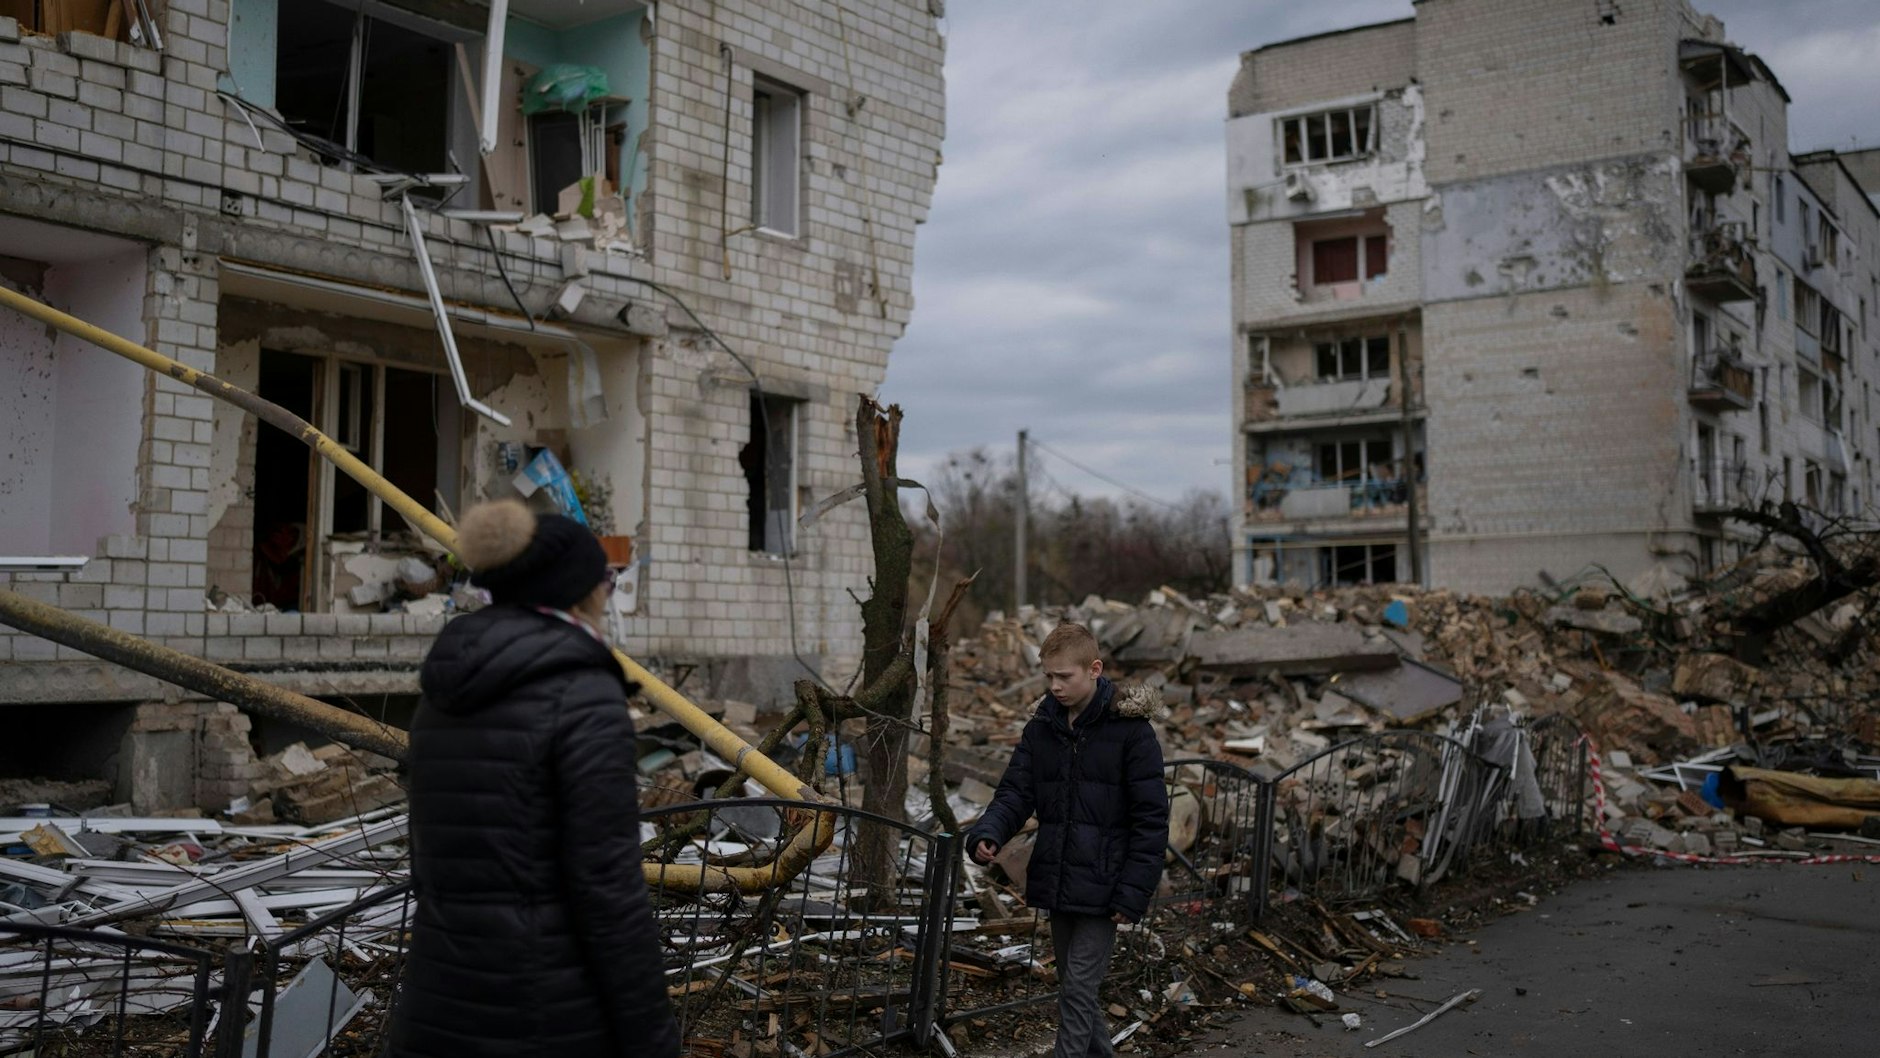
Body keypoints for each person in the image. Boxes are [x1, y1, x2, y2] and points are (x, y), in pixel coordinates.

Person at [389, 499, 679, 1058]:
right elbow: (609, 889)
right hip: (546, 1009)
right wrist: (653, 1038)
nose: (608, 591)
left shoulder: (444, 692)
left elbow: (429, 865)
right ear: (581, 588)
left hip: (439, 998)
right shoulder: (582, 694)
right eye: (608, 579)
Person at [965, 622, 1169, 1058]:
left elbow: (1151, 822)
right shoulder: (1043, 728)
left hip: (1106, 883)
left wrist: (1133, 892)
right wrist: (989, 832)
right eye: (1048, 677)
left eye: (1064, 676)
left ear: (1094, 669)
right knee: (1075, 988)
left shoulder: (1132, 732)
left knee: (1077, 986)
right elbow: (1016, 791)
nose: (1054, 686)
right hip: (1059, 879)